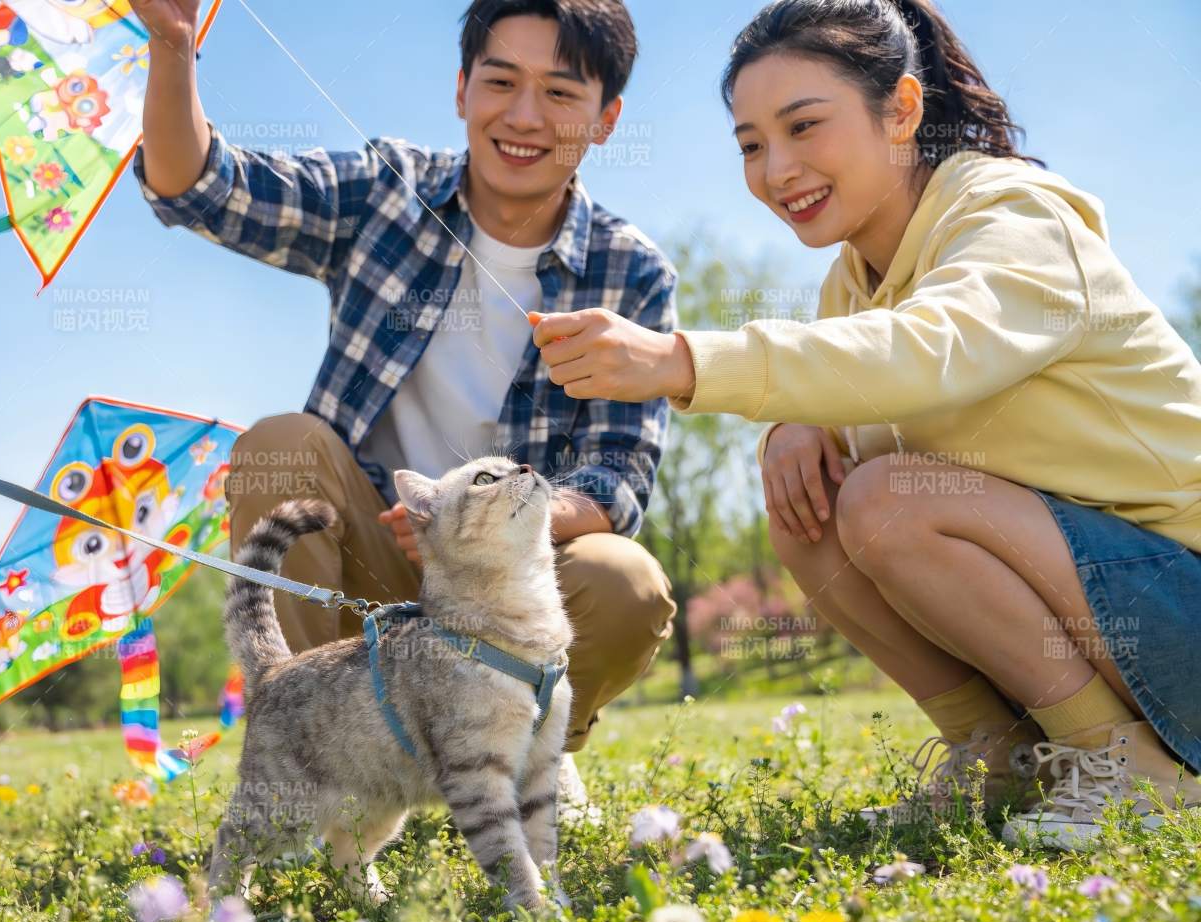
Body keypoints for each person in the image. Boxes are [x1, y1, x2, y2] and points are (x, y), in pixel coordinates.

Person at [531, 0, 1201, 848]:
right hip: (1113, 619)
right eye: (750, 145)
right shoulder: (853, 278)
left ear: (904, 111)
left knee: (892, 497)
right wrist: (793, 427)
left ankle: (1123, 761)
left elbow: (927, 349)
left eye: (804, 126)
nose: (777, 169)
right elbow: (858, 361)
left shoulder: (1014, 217)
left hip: (1181, 601)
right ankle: (993, 757)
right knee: (807, 494)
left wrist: (684, 361)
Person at [130, 0, 677, 799]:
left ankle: (527, 752)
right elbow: (202, 188)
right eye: (500, 81)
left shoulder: (631, 272)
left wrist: (479, 532)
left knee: (625, 580)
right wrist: (173, 50)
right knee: (284, 440)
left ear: (606, 119)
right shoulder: (389, 193)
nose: (524, 116)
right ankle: (315, 769)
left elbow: (617, 477)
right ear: (461, 89)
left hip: (507, 588)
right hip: (370, 567)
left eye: (561, 94)